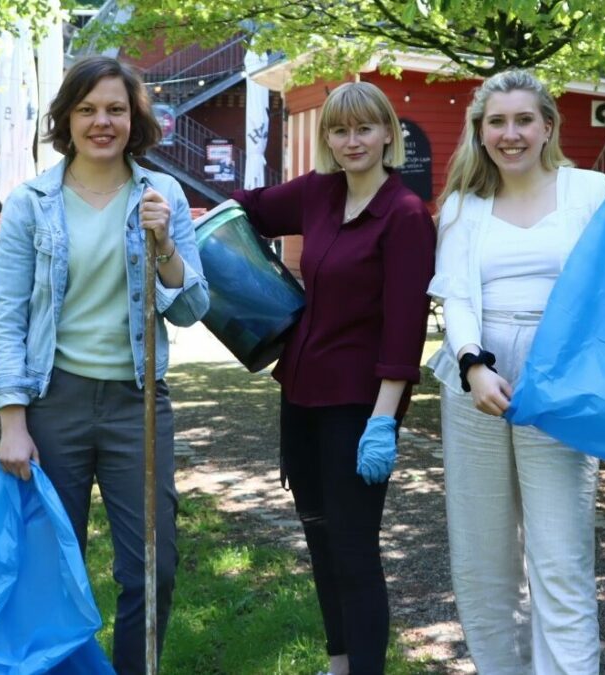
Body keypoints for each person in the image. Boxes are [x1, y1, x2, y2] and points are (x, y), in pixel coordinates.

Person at [0, 56, 209, 674]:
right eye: (87, 110)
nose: (101, 122)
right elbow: (6, 316)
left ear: (135, 119)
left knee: (151, 569)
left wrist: (165, 248)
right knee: (53, 568)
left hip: (138, 403)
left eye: (115, 109)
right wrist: (12, 420)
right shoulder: (32, 203)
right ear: (66, 119)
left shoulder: (165, 196)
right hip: (56, 403)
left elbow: (190, 309)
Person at [427, 69, 605, 674]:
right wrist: (472, 365)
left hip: (562, 385)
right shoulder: (463, 207)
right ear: (480, 131)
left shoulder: (592, 192)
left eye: (524, 119)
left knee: (560, 557)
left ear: (548, 126)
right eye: (497, 121)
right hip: (477, 383)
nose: (511, 133)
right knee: (481, 558)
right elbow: (458, 297)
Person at [229, 81, 436, 675]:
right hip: (301, 392)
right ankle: (340, 662)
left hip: (359, 405)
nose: (353, 141)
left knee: (353, 547)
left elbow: (405, 327)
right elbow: (249, 207)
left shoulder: (404, 216)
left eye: (365, 128)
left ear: (388, 134)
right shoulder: (320, 194)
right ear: (327, 139)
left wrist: (382, 420)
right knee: (318, 534)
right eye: (340, 131)